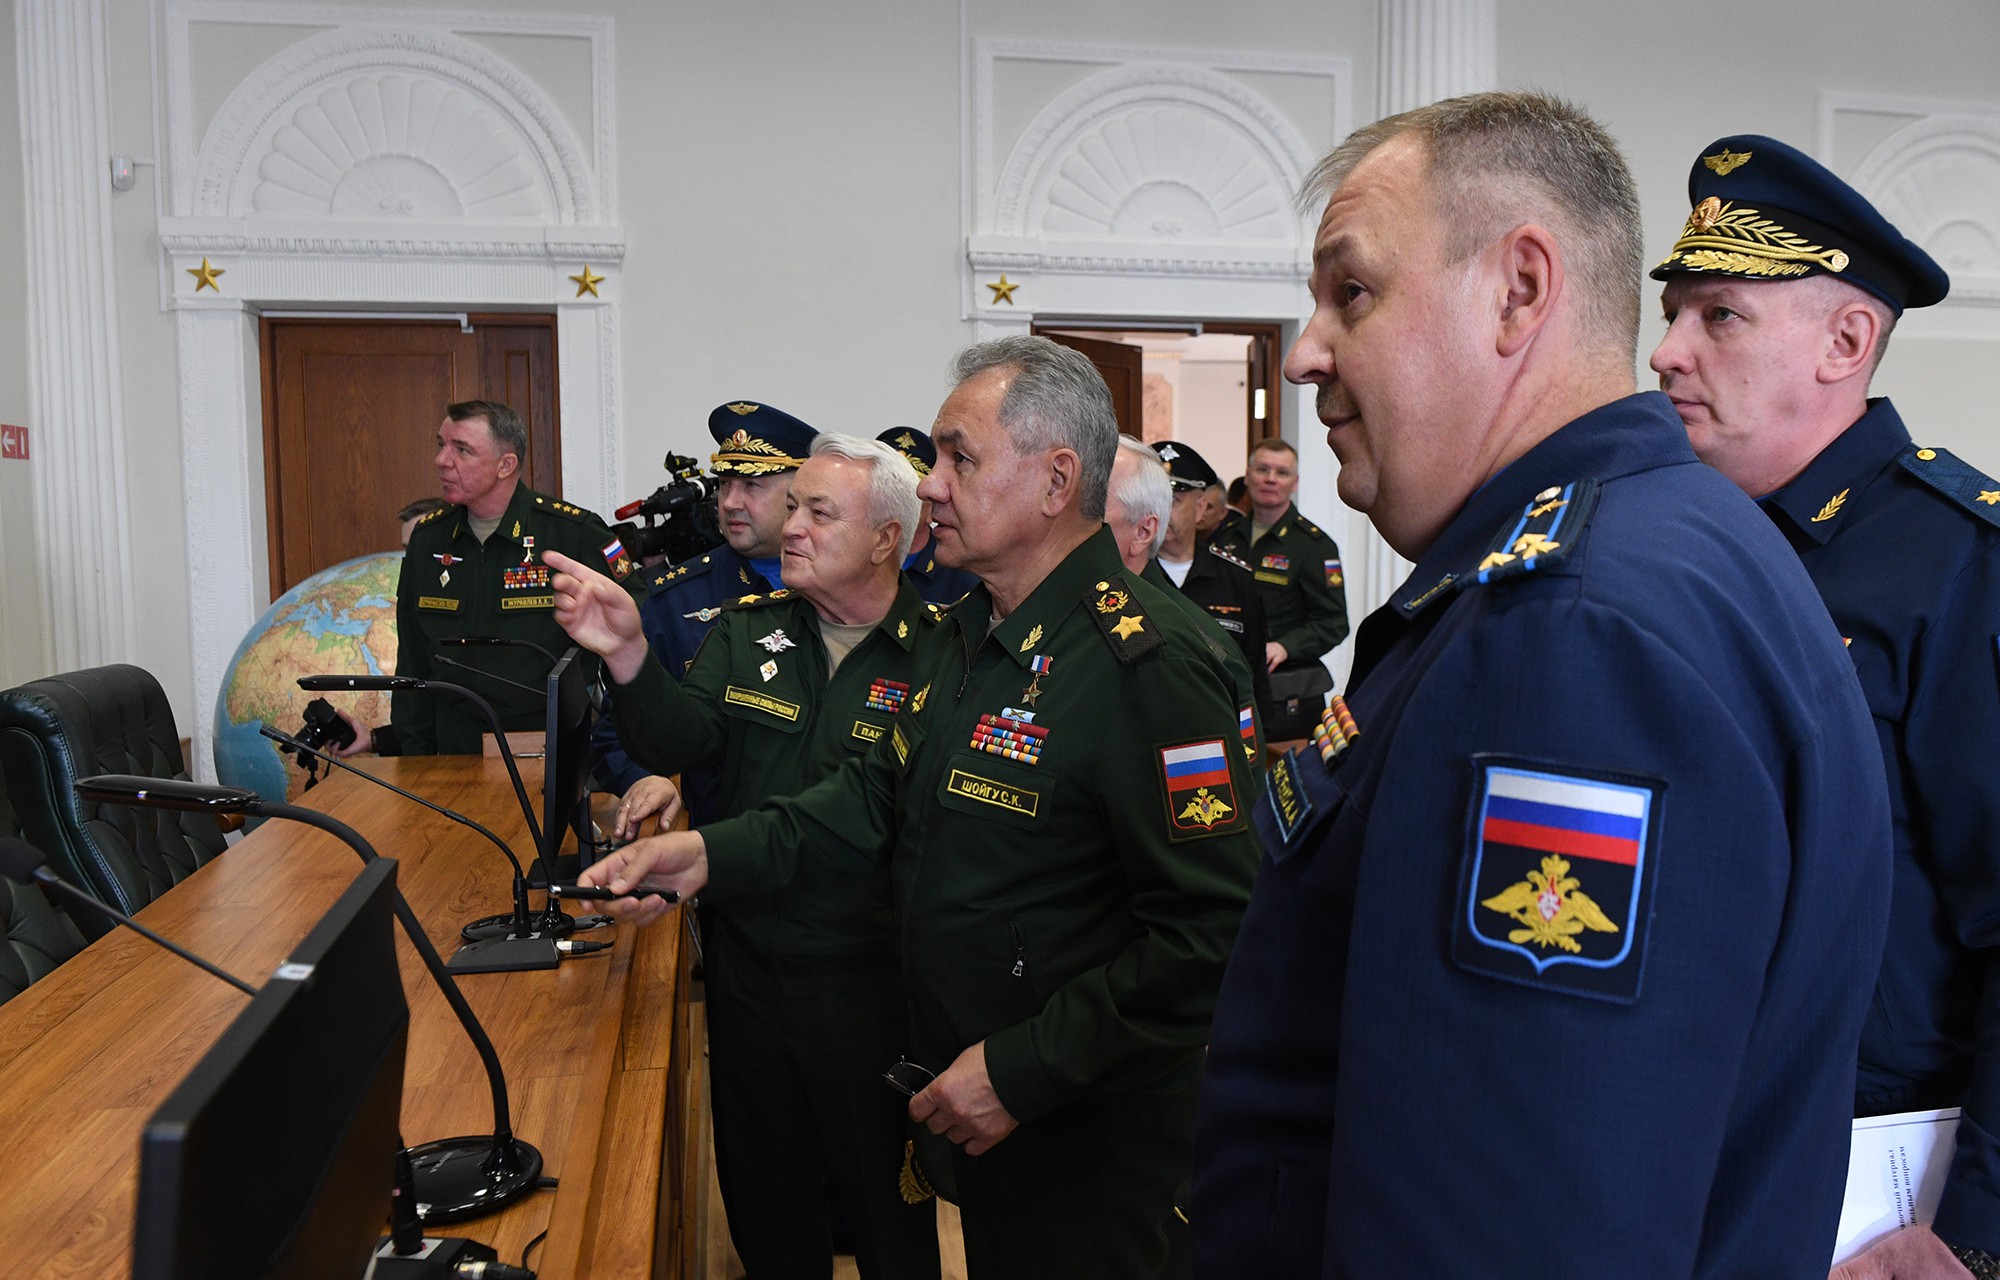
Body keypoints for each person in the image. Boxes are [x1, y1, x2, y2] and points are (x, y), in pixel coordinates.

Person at [1191, 92, 1892, 1278]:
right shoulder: (1669, 546)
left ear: (1518, 289)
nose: (1307, 349)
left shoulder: (1571, 631)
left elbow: (1509, 1229)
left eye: (1349, 293)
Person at [576, 336, 1260, 1280]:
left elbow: (1211, 932)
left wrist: (1021, 1070)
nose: (931, 485)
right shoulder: (970, 634)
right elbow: (868, 793)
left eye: (958, 457)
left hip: (1084, 1131)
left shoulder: (1153, 664)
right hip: (978, 1103)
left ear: (1057, 480)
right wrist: (703, 857)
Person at [1648, 136, 1998, 1280]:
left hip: (1880, 1182)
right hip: (1692, 1134)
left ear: (1844, 341)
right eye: (1674, 313)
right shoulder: (1679, 543)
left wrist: (1974, 1230)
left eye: (1717, 316)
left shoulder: (1954, 561)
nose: (1665, 351)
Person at [545, 435, 941, 1280]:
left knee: (887, 1214)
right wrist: (627, 654)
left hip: (875, 983)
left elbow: (868, 818)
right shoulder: (749, 629)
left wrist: (701, 853)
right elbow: (682, 739)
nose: (791, 527)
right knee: (765, 1205)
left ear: (887, 538)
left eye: (818, 512)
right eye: (792, 506)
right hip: (750, 965)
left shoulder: (947, 654)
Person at [367, 399, 631, 756]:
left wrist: (617, 747)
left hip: (549, 751)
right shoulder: (428, 539)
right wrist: (415, 757)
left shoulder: (573, 534)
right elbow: (412, 660)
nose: (442, 460)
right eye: (441, 445)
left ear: (506, 465)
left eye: (462, 450)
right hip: (451, 754)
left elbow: (634, 635)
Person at [590, 401, 816, 814]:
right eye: (725, 484)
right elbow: (613, 731)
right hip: (716, 844)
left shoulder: (840, 589)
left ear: (799, 493)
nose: (729, 502)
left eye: (752, 486)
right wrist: (646, 780)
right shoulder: (674, 600)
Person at [1103, 437, 1267, 765]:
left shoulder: (1234, 579)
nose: (1165, 508)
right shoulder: (1114, 589)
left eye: (1174, 498)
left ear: (1202, 506)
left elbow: (1251, 677)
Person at [1209, 437, 1349, 739]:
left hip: (1285, 697)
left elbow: (1334, 623)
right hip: (1229, 685)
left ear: (1294, 482)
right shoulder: (1225, 539)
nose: (1271, 479)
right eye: (1263, 469)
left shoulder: (1313, 546)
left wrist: (1286, 646)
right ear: (1247, 476)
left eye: (1281, 473)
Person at [878, 426, 982, 605]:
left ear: (932, 508)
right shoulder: (845, 561)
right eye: (880, 489)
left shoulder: (963, 578)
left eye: (906, 493)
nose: (890, 501)